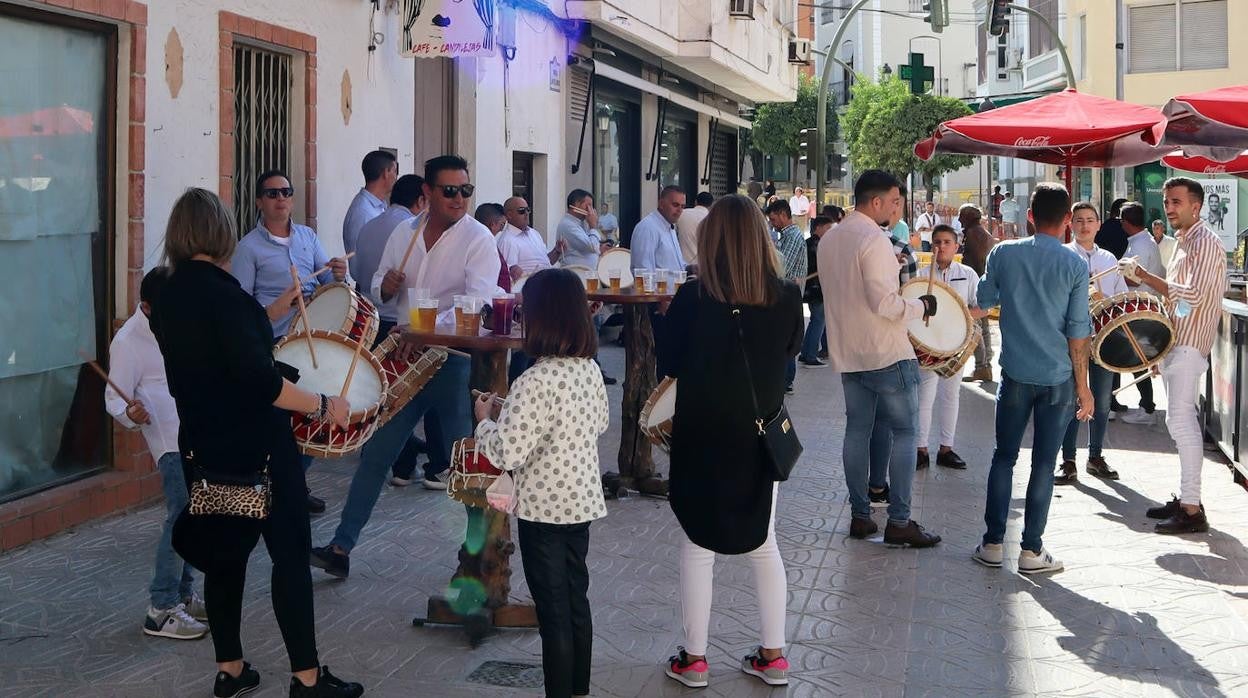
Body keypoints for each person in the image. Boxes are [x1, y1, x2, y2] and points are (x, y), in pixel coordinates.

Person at [152, 188, 362, 698]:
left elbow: (214, 363)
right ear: (221, 234)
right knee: (289, 556)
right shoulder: (230, 297)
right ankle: (308, 678)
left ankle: (230, 669)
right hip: (259, 449)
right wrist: (320, 404)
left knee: (225, 555)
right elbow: (260, 383)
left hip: (203, 444)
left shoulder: (166, 297)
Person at [309, 155, 502, 579]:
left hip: (452, 361)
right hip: (405, 358)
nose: (458, 199)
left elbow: (480, 301)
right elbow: (377, 286)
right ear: (427, 194)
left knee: (462, 460)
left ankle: (479, 559)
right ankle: (341, 547)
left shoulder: (478, 239)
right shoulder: (404, 232)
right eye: (449, 191)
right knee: (376, 452)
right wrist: (386, 286)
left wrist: (429, 327)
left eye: (465, 191)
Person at [658, 194, 802, 689]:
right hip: (758, 433)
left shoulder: (691, 298)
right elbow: (789, 354)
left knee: (697, 543)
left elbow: (670, 364)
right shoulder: (785, 297)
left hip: (700, 434)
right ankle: (773, 655)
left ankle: (694, 660)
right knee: (765, 543)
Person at [473, 268, 608, 698]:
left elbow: (507, 452)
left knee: (552, 611)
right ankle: (579, 689)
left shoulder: (533, 379)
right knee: (575, 599)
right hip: (582, 500)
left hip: (542, 508)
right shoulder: (588, 369)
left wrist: (484, 423)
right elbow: (599, 422)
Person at [971, 182, 1093, 575]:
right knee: (1044, 463)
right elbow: (1078, 332)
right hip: (1057, 376)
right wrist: (1084, 386)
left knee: (1003, 457)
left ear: (1029, 216)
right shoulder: (1075, 264)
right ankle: (1031, 550)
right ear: (1068, 222)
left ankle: (992, 543)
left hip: (1016, 373)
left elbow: (983, 301)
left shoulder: (1003, 253)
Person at [820, 170, 941, 548]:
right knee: (905, 432)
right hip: (885, 351)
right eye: (894, 201)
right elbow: (885, 303)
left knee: (857, 430)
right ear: (876, 202)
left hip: (848, 351)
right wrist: (920, 305)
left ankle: (860, 515)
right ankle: (899, 521)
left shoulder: (831, 238)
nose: (897, 208)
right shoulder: (873, 238)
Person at [230, 170, 348, 514]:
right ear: (258, 202)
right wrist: (278, 306)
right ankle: (280, 486)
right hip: (279, 343)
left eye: (286, 192)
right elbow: (243, 308)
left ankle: (293, 482)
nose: (280, 198)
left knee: (312, 418)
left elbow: (328, 282)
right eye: (272, 193)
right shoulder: (248, 248)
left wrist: (338, 274)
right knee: (284, 422)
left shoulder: (308, 237)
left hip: (313, 338)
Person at [1118, 177, 1227, 535]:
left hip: (1190, 345)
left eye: (1176, 201)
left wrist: (1145, 275)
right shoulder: (1184, 241)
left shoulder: (1205, 243)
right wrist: (1159, 344)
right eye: (1166, 201)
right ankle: (1186, 499)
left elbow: (1192, 296)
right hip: (1178, 343)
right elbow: (1177, 303)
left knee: (1182, 422)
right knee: (1176, 422)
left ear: (1195, 205)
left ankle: (1192, 508)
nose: (1169, 207)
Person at [104, 267, 207, 642]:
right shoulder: (128, 340)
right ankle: (160, 608)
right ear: (146, 306)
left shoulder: (176, 321)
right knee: (180, 518)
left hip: (195, 433)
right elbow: (114, 397)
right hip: (169, 443)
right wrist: (130, 413)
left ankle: (183, 594)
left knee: (193, 517)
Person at [354, 174, 434, 489]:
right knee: (412, 398)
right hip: (403, 324)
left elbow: (358, 274)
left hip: (373, 320)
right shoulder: (412, 230)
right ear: (422, 200)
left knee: (381, 396)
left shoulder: (367, 225)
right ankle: (410, 465)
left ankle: (379, 459)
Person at [1054, 202, 1127, 487]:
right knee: (1073, 398)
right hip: (1071, 340)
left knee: (1103, 398)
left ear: (1099, 224)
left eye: (1090, 220)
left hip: (1104, 338)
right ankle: (1068, 460)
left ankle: (1095, 456)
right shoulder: (1062, 255)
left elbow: (1119, 296)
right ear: (1071, 224)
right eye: (1080, 220)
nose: (1085, 225)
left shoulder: (1109, 259)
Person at [915, 225, 981, 471]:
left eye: (946, 242)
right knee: (925, 395)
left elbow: (981, 306)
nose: (941, 247)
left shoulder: (968, 274)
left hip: (956, 346)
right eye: (936, 242)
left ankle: (946, 448)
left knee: (950, 395)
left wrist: (959, 319)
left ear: (956, 246)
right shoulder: (921, 274)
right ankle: (920, 449)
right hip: (928, 347)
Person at [1119, 202, 1166, 425]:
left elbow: (1134, 278)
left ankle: (1147, 408)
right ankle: (1145, 405)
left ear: (1125, 222)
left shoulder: (1141, 245)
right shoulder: (1143, 241)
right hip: (1142, 305)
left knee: (1138, 359)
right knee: (1138, 358)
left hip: (1140, 307)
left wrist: (1111, 275)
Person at [767, 200, 807, 395]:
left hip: (787, 296)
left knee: (786, 336)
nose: (773, 223)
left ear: (783, 214)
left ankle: (786, 380)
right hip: (786, 294)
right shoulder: (786, 236)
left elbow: (783, 267)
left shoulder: (793, 237)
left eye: (774, 219)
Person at [342, 149, 398, 276]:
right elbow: (359, 266)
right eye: (394, 171)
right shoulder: (362, 212)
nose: (396, 177)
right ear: (385, 173)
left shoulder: (380, 206)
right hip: (369, 291)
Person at [960, 204, 996, 383]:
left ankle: (982, 366)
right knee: (982, 326)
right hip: (981, 283)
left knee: (975, 327)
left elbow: (975, 262)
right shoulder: (980, 232)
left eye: (961, 216)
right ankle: (985, 365)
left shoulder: (974, 234)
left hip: (975, 285)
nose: (959, 220)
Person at [498, 196, 564, 283]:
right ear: (509, 215)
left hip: (546, 285)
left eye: (528, 210)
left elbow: (546, 262)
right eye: (521, 211)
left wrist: (557, 251)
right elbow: (509, 274)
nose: (526, 214)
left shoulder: (534, 234)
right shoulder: (507, 240)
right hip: (529, 289)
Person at [798, 216, 833, 368]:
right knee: (818, 321)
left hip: (811, 289)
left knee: (815, 321)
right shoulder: (818, 244)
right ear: (818, 227)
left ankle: (806, 353)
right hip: (818, 289)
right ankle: (810, 355)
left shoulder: (809, 243)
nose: (829, 232)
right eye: (827, 228)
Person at [631, 185, 687, 272]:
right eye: (675, 205)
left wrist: (690, 269)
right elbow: (643, 270)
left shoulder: (669, 227)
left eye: (682, 206)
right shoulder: (648, 228)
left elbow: (674, 266)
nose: (680, 210)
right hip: (660, 286)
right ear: (661, 204)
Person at [558, 189, 606, 270]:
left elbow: (591, 245)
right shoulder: (568, 225)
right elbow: (592, 247)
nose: (591, 210)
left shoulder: (582, 223)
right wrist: (593, 227)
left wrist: (600, 248)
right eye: (588, 205)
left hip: (588, 274)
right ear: (576, 204)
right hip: (576, 275)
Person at [476, 202, 515, 293]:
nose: (501, 229)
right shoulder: (483, 246)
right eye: (502, 224)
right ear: (492, 225)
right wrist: (513, 298)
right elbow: (485, 285)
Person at [676, 191, 713, 265]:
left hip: (683, 265)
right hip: (704, 266)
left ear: (696, 202)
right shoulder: (712, 219)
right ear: (711, 205)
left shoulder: (682, 214)